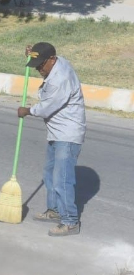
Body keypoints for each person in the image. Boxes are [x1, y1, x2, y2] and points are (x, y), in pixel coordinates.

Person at [17, 42, 86, 237]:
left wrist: (27, 111)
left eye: (41, 64)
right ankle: (55, 210)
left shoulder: (60, 78)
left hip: (68, 134)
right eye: (36, 64)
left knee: (61, 179)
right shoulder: (57, 62)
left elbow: (46, 108)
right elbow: (44, 56)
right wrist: (34, 54)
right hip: (56, 132)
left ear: (52, 60)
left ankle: (70, 221)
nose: (39, 69)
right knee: (49, 173)